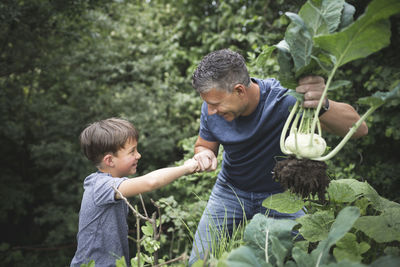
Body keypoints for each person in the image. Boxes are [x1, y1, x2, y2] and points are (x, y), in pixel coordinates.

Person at [188, 49, 368, 265]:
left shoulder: (285, 99)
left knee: (304, 258)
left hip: (281, 197)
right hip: (230, 191)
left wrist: (322, 103)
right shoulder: (212, 107)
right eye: (208, 104)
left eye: (215, 104)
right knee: (198, 261)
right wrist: (204, 154)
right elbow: (203, 146)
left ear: (239, 91)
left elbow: (360, 129)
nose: (210, 111)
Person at [70, 118, 199, 267]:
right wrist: (185, 168)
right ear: (110, 160)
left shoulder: (111, 183)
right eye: (132, 151)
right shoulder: (101, 186)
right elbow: (151, 182)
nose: (138, 155)